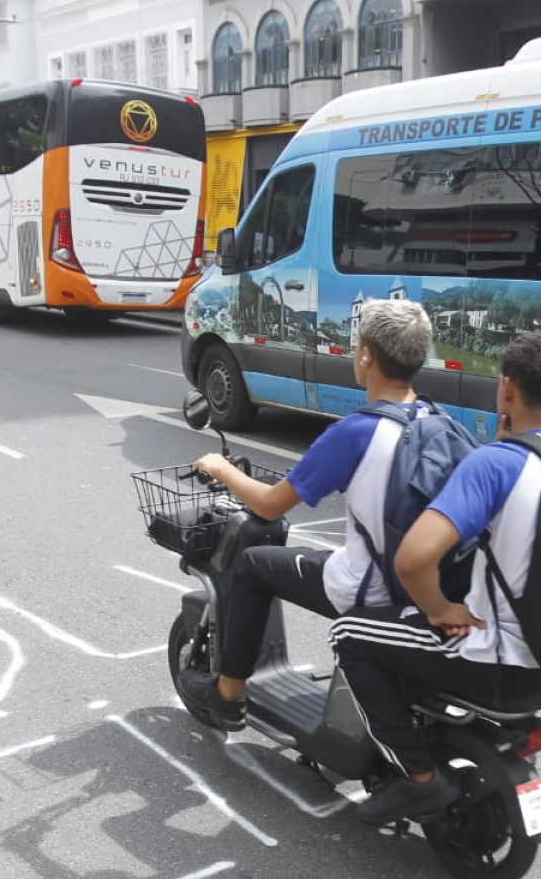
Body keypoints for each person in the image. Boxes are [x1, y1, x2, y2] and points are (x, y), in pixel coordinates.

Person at [329, 331, 541, 825]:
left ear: (508, 388)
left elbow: (412, 559)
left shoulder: (495, 465)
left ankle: (417, 778)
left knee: (350, 634)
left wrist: (439, 609)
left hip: (495, 659)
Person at [178, 300, 438, 730]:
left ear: (366, 357)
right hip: (425, 587)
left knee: (252, 565)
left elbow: (269, 504)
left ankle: (227, 695)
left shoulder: (357, 432)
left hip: (370, 587)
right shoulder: (436, 420)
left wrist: (221, 469)